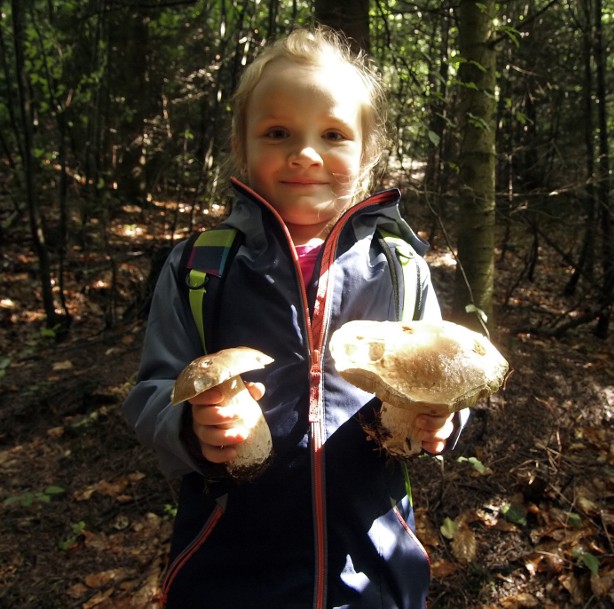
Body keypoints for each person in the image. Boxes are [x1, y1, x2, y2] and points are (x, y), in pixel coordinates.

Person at [123, 26, 464, 609]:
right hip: (227, 565)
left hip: (373, 564)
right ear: (243, 145)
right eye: (278, 132)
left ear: (367, 150)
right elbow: (149, 392)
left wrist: (442, 421)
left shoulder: (400, 267)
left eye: (332, 134)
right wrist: (187, 428)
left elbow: (443, 381)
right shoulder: (202, 267)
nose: (305, 153)